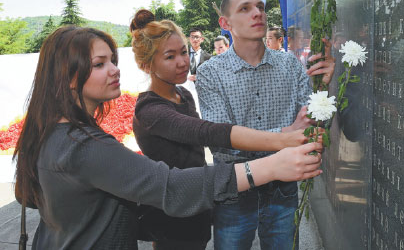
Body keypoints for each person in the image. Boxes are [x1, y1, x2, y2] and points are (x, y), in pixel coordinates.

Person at [13, 25, 323, 249]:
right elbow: (174, 183)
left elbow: (27, 194)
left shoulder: (54, 132)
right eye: (98, 64)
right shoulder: (85, 145)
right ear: (66, 77)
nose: (113, 70)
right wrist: (272, 164)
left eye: (112, 61)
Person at [196, 0, 335, 250]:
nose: (257, 13)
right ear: (225, 23)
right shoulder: (210, 73)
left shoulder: (290, 65)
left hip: (283, 188)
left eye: (260, 7)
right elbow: (221, 142)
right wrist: (286, 134)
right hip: (235, 190)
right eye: (245, 9)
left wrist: (323, 86)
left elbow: (312, 123)